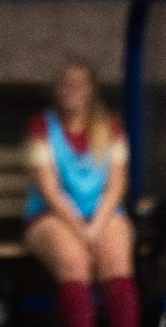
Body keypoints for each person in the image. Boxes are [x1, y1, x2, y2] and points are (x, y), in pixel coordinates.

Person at [22, 61, 138, 327]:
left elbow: (116, 184)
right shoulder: (41, 127)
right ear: (56, 89)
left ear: (92, 89)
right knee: (75, 263)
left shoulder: (112, 126)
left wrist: (96, 226)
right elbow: (48, 188)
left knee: (117, 263)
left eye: (80, 84)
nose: (72, 90)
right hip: (52, 215)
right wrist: (80, 229)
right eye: (66, 83)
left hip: (102, 213)